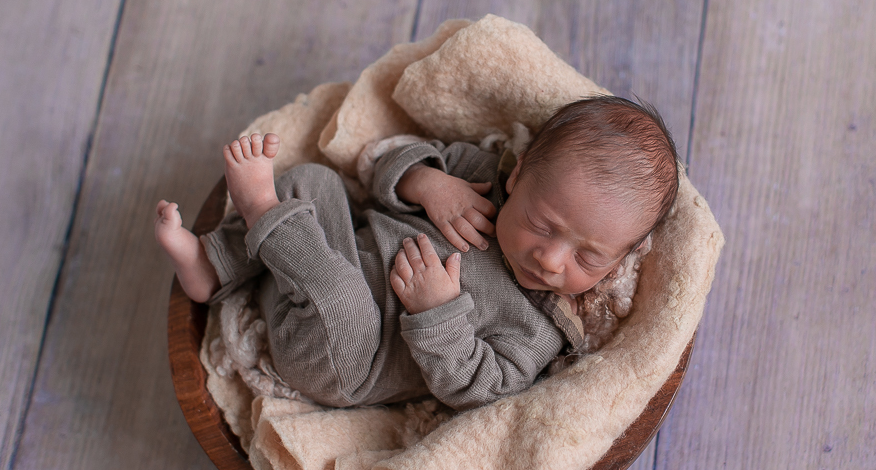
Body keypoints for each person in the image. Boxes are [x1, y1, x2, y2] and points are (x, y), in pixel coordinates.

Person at [155, 96, 679, 411]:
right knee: (315, 182)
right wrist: (427, 183)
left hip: (344, 357)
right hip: (316, 266)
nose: (551, 259)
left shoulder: (540, 327)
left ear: (620, 261)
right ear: (518, 175)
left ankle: (260, 211)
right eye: (542, 225)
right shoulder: (480, 177)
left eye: (588, 259)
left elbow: (479, 391)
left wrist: (439, 313)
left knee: (342, 294)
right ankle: (213, 267)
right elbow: (381, 169)